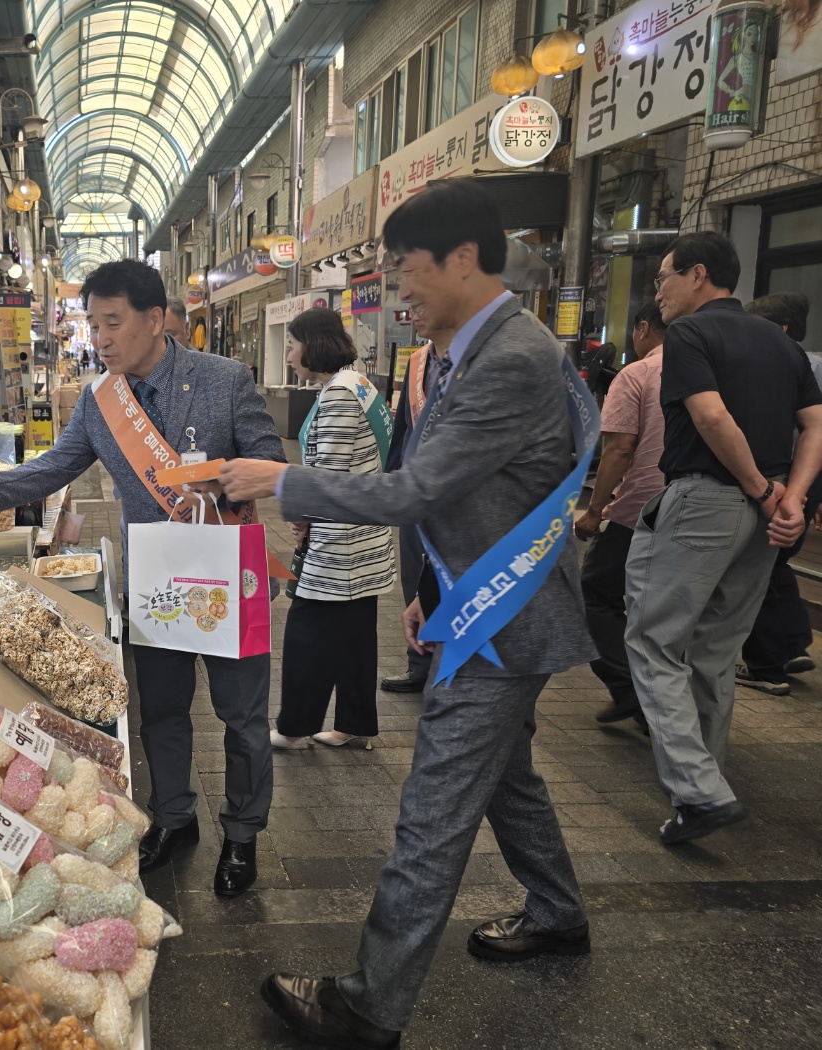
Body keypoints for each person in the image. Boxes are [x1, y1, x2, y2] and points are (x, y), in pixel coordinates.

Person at [220, 181, 596, 1048]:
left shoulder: (509, 355)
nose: (399, 292)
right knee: (506, 776)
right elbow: (472, 490)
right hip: (478, 595)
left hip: (509, 615)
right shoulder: (469, 345)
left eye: (408, 271)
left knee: (434, 807)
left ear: (464, 260)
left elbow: (417, 487)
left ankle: (368, 1004)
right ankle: (560, 911)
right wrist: (429, 583)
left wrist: (281, 481)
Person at [0, 259, 286, 897]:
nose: (99, 338)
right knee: (160, 711)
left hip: (225, 571)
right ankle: (175, 817)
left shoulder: (225, 379)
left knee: (241, 715)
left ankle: (242, 833)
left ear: (155, 320)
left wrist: (221, 475)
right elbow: (58, 465)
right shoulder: (102, 401)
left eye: (112, 323)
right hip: (156, 579)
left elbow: (269, 461)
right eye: (92, 324)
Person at [624, 232, 822, 845]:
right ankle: (699, 793)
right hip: (764, 514)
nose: (659, 292)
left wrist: (765, 491)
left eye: (664, 278)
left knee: (654, 641)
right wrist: (789, 496)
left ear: (698, 274)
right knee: (714, 650)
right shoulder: (778, 340)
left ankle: (699, 790)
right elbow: (814, 424)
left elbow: (710, 417)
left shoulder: (689, 334)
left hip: (707, 501)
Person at [270, 307, 395, 751]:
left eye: (291, 344)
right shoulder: (359, 383)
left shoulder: (339, 394)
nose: (287, 355)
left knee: (307, 631)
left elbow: (329, 475)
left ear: (314, 345)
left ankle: (294, 727)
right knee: (355, 636)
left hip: (339, 542)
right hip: (364, 537)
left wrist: (301, 515)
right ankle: (355, 724)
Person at [573, 300, 668, 728]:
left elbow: (619, 450)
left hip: (642, 509)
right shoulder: (713, 370)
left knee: (595, 593)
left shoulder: (639, 373)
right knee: (666, 611)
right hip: (705, 507)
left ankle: (629, 689)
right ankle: (662, 708)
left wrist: (594, 512)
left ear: (643, 328)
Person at [736, 292, 821, 693]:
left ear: (782, 330)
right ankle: (791, 645)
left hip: (783, 478)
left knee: (759, 565)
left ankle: (766, 665)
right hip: (807, 479)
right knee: (776, 564)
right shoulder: (816, 362)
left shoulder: (785, 363)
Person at [379, 310, 452, 695]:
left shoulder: (479, 362)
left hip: (449, 497)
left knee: (445, 578)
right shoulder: (418, 361)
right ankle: (419, 664)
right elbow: (403, 427)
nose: (411, 306)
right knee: (414, 578)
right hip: (412, 491)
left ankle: (445, 664)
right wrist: (394, 479)